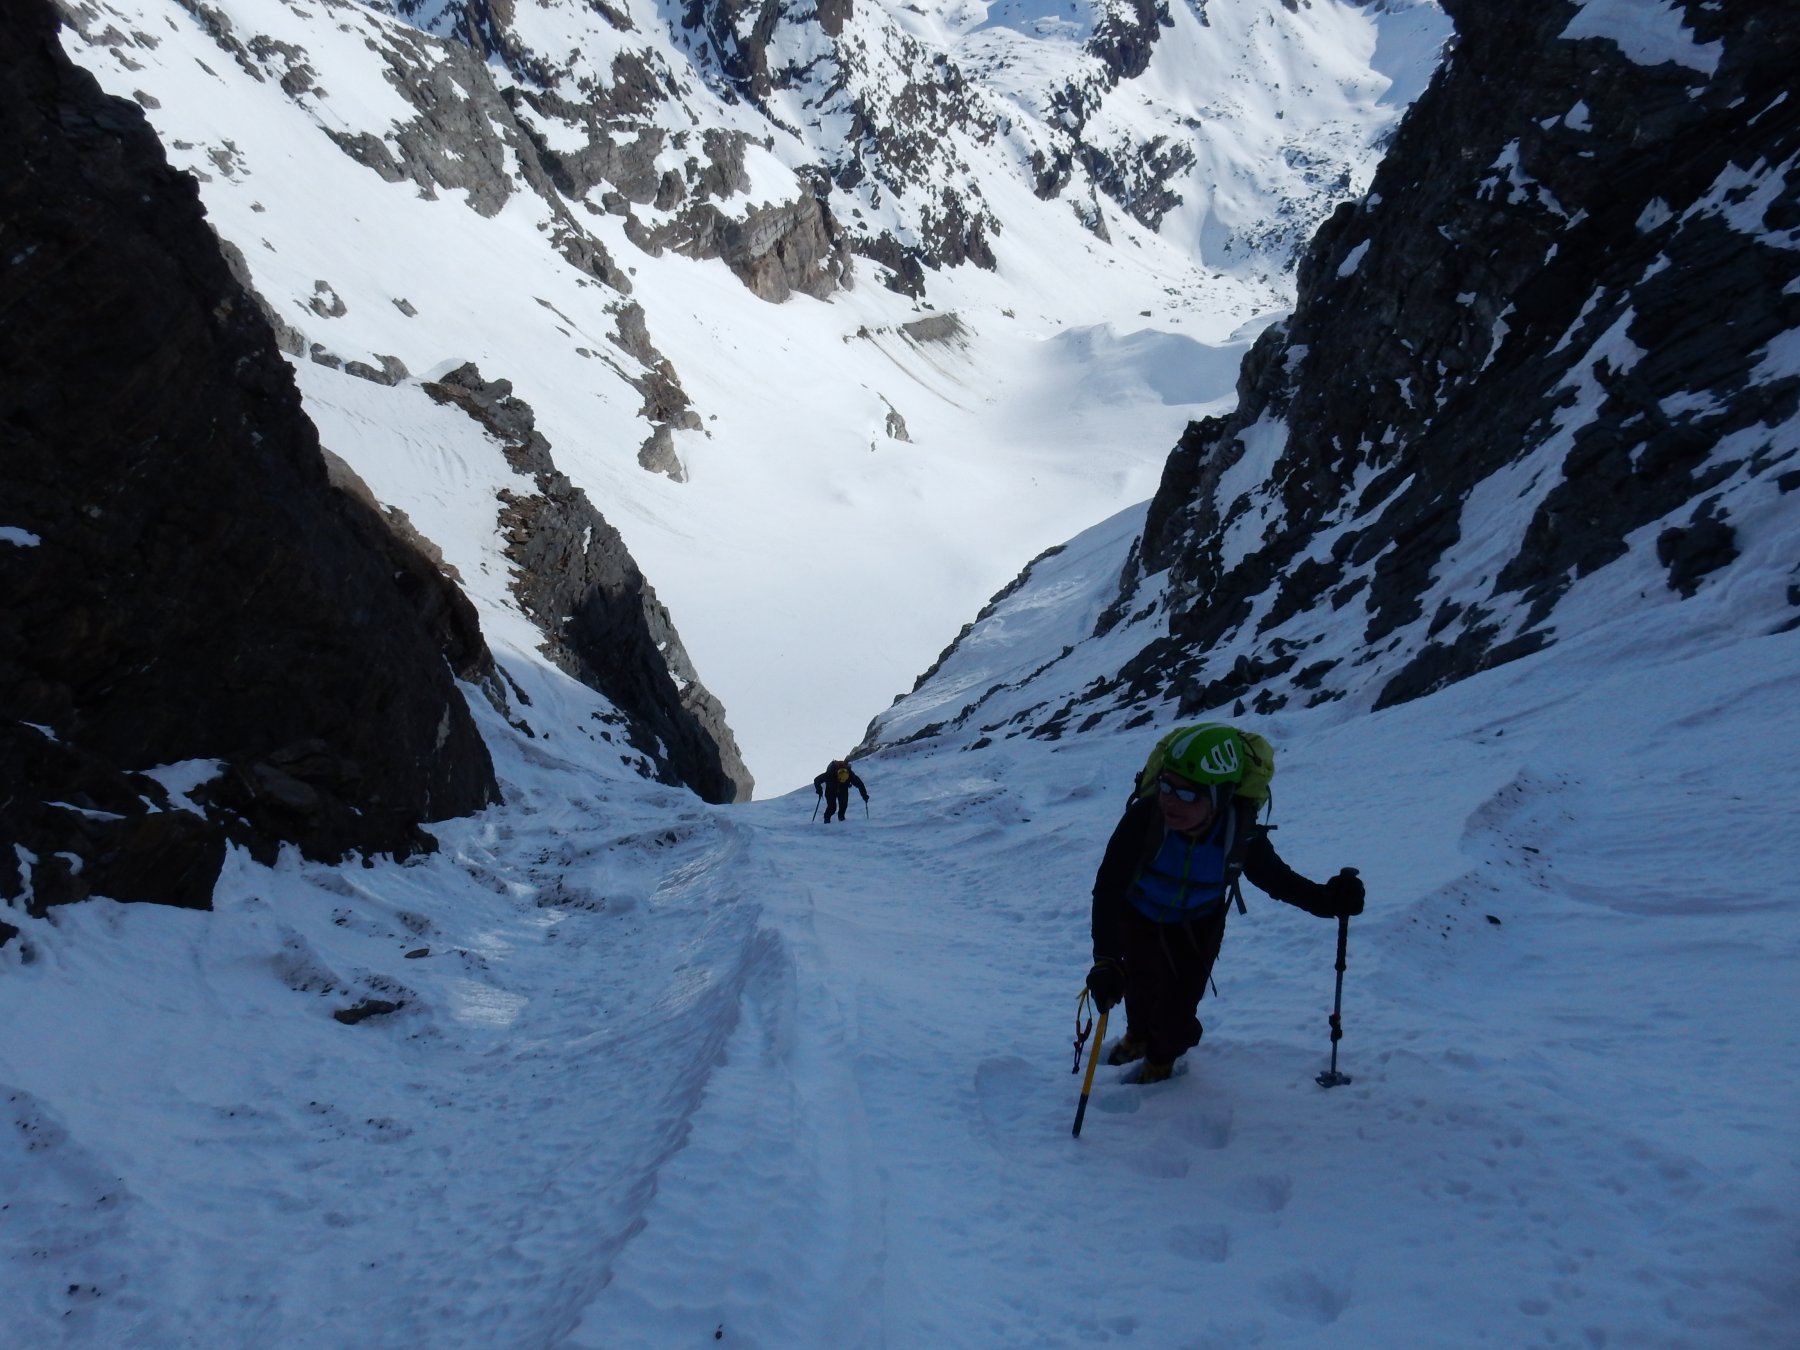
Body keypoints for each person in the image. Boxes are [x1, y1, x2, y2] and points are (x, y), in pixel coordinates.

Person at [1085, 724, 1363, 1083]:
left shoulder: (1238, 831)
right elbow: (1108, 887)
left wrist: (1329, 901)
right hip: (1139, 915)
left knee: (1179, 1004)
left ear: (1220, 796)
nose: (1170, 800)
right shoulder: (1144, 817)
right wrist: (1107, 960)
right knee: (1140, 984)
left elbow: (1276, 880)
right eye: (1167, 786)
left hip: (1199, 925)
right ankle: (1138, 1036)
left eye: (1188, 795)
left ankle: (1161, 1058)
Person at [814, 758, 869, 823]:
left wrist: (864, 795)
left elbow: (860, 784)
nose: (842, 781)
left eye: (844, 780)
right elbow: (817, 780)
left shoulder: (850, 774)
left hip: (843, 789)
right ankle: (827, 819)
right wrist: (819, 790)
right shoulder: (830, 774)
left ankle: (841, 819)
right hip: (830, 789)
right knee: (832, 807)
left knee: (843, 805)